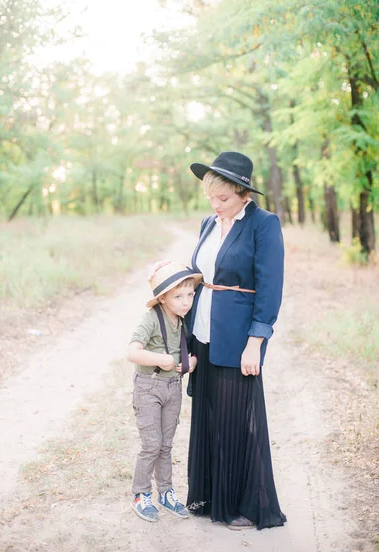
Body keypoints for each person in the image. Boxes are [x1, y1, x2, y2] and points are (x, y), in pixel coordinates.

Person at [150, 151, 286, 531]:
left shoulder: (264, 225)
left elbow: (270, 290)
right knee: (208, 416)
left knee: (237, 420)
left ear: (244, 193)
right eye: (211, 198)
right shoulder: (208, 224)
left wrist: (255, 343)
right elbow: (199, 275)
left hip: (238, 337)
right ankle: (211, 495)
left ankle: (243, 503)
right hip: (202, 333)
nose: (216, 205)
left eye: (223, 198)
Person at [127, 261, 202, 523]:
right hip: (149, 388)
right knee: (151, 444)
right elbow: (132, 352)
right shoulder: (151, 318)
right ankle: (140, 494)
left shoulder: (182, 319)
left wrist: (189, 363)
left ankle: (166, 492)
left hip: (173, 388)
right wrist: (160, 359)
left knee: (166, 445)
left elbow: (186, 354)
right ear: (162, 297)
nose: (186, 302)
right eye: (178, 296)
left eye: (190, 294)